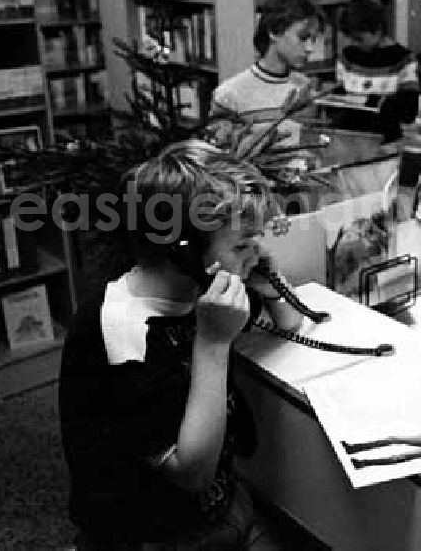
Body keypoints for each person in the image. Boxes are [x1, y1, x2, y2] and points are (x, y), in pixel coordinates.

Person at [59, 140, 304, 549]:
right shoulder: (121, 334)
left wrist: (269, 284)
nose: (256, 253)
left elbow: (291, 323)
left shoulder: (200, 289)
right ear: (182, 251)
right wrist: (212, 343)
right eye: (242, 244)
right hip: (155, 532)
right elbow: (192, 474)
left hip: (224, 504)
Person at [210, 0, 325, 158]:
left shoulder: (305, 88)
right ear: (274, 32)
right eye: (303, 38)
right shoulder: (229, 94)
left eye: (313, 39)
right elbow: (220, 163)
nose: (310, 48)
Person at [334, 0, 420, 144]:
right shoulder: (348, 56)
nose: (353, 43)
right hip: (349, 137)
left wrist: (377, 102)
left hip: (385, 139)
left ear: (377, 30)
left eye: (359, 38)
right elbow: (340, 98)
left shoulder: (402, 59)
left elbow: (408, 112)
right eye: (350, 38)